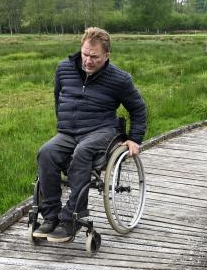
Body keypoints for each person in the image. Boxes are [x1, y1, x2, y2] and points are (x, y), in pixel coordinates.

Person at [33, 27, 147, 243]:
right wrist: (65, 123)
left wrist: (134, 138)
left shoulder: (120, 79)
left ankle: (71, 218)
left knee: (83, 152)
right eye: (85, 54)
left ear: (106, 55)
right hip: (68, 133)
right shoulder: (64, 69)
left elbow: (138, 109)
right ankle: (50, 217)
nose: (87, 60)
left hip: (101, 131)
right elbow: (59, 99)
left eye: (94, 56)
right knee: (46, 153)